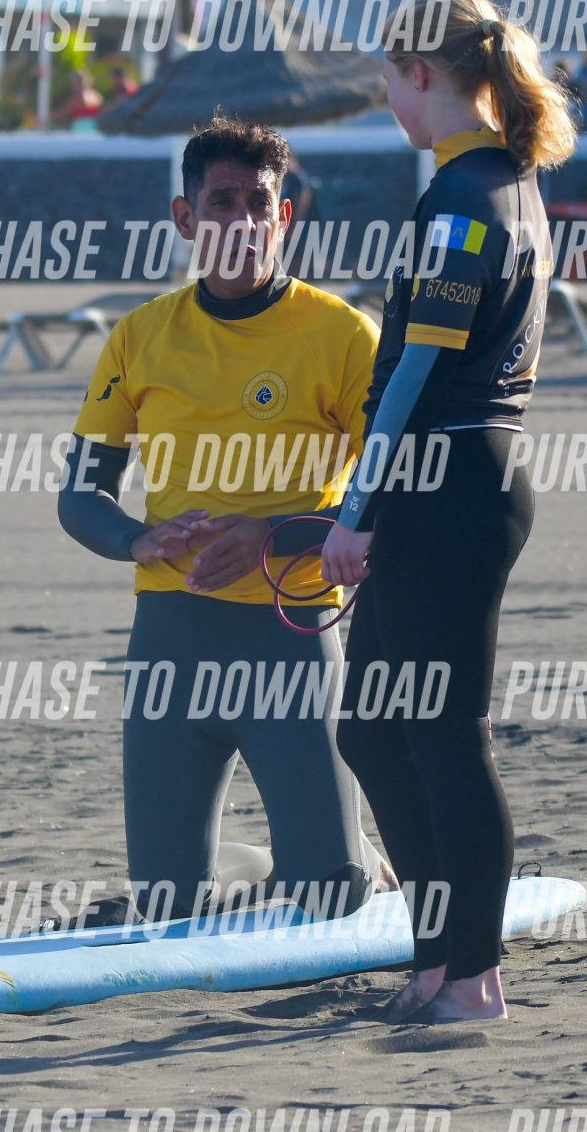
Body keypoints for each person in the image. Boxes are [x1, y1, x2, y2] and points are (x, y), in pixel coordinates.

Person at [317, 0, 577, 1024]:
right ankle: (437, 959)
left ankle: (470, 978)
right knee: (376, 734)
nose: (389, 102)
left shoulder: (465, 198)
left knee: (439, 735)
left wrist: (357, 507)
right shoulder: (501, 181)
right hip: (459, 481)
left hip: (450, 481)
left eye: (388, 81)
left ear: (418, 73)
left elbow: (420, 370)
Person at [61, 118, 381, 925]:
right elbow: (80, 495)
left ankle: (351, 854)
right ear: (185, 217)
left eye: (258, 203)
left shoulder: (343, 335)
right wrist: (136, 538)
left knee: (332, 895)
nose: (241, 221)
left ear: (285, 216)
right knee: (165, 906)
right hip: (169, 645)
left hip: (289, 639)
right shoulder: (141, 335)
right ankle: (260, 865)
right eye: (221, 203)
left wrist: (275, 534)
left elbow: (399, 492)